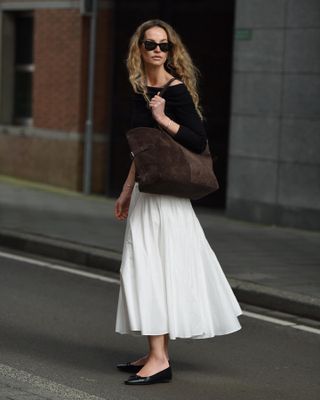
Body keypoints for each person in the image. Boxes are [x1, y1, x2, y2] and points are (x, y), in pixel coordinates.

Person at [114, 19, 242, 385]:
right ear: (139, 48)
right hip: (145, 191)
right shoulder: (139, 88)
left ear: (171, 51)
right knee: (151, 269)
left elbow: (198, 141)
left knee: (151, 270)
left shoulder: (176, 90)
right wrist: (126, 189)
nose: (157, 50)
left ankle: (159, 360)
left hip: (166, 200)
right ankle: (157, 354)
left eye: (164, 45)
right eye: (150, 44)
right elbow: (142, 149)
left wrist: (162, 117)